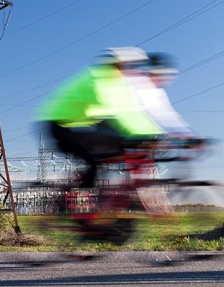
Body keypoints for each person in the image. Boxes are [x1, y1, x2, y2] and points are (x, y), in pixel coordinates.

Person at [36, 47, 166, 189]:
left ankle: (100, 192)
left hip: (75, 125)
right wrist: (141, 135)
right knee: (95, 160)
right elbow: (117, 112)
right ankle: (78, 195)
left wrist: (151, 131)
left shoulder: (114, 82)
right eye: (126, 66)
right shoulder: (98, 80)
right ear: (117, 65)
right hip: (61, 126)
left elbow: (132, 112)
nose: (129, 70)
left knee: (113, 151)